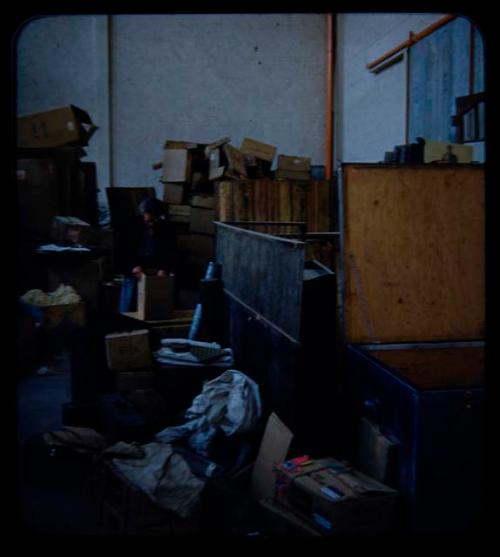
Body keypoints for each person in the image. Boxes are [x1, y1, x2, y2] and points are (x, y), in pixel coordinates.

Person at [119, 197, 177, 312]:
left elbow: (169, 250)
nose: (150, 220)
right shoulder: (132, 225)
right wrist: (134, 265)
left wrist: (163, 268)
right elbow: (126, 249)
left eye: (153, 217)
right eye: (147, 216)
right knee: (130, 294)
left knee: (162, 290)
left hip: (156, 264)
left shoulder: (165, 227)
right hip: (136, 264)